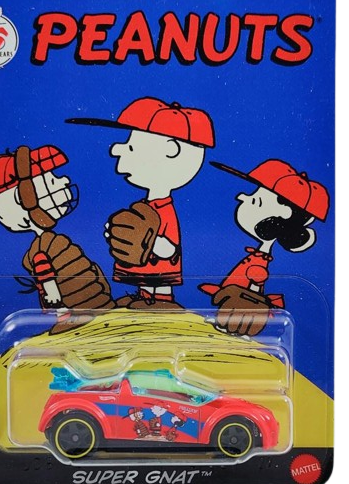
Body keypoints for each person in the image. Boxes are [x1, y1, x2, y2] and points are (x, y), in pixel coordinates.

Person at [67, 97, 215, 308]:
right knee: (145, 287)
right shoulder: (146, 207)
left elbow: (170, 249)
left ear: (171, 150)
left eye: (132, 147)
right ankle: (145, 297)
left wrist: (149, 241)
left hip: (160, 270)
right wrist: (117, 232)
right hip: (146, 271)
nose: (115, 150)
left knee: (159, 286)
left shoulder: (164, 210)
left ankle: (162, 301)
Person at [0, 144, 114, 333]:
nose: (65, 180)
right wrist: (53, 295)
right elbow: (46, 275)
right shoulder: (41, 249)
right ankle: (67, 318)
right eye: (52, 181)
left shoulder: (54, 241)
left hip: (97, 302)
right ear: (24, 198)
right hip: (75, 306)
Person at [199, 159, 329, 336]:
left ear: (282, 215)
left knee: (239, 310)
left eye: (256, 201)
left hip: (241, 298)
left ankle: (232, 326)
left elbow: (254, 284)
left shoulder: (260, 260)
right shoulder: (256, 254)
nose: (241, 196)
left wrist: (251, 297)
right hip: (237, 294)